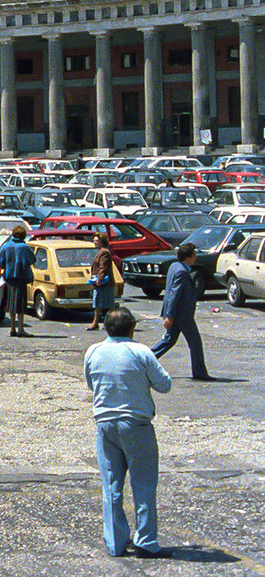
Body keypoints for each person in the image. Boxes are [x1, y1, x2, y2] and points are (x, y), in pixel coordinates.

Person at [85, 307, 172, 558]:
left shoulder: (94, 351)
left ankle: (115, 543)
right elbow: (164, 385)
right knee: (143, 483)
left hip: (105, 424)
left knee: (111, 485)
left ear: (106, 327)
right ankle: (145, 540)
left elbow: (92, 384)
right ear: (132, 328)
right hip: (136, 424)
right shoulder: (141, 351)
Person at [151, 243, 213, 380]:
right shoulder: (182, 272)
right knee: (195, 342)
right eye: (194, 255)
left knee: (169, 340)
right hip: (181, 315)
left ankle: (146, 359)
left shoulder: (174, 266)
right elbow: (174, 294)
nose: (195, 258)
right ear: (188, 257)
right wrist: (170, 316)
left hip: (176, 313)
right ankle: (200, 372)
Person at [0, 224, 35, 337]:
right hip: (21, 278)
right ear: (23, 236)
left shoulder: (5, 246)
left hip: (9, 279)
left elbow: (0, 263)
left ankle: (12, 328)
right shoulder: (25, 247)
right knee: (21, 305)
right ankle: (21, 329)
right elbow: (32, 260)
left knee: (11, 304)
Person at [88, 232, 119, 331]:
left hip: (104, 283)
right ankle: (98, 323)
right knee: (98, 303)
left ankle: (104, 323)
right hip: (100, 282)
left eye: (97, 241)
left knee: (106, 304)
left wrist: (99, 280)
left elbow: (103, 268)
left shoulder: (104, 252)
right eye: (94, 240)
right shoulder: (101, 251)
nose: (94, 243)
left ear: (102, 241)